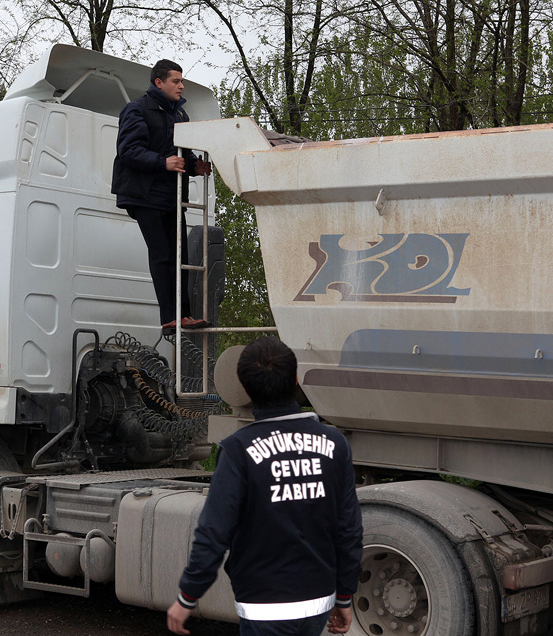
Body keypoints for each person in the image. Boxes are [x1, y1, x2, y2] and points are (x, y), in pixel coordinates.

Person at [167, 337, 363, 636]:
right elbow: (348, 528)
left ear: (245, 391)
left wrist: (187, 597)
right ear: (296, 380)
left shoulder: (237, 449)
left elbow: (214, 531)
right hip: (318, 602)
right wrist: (345, 596)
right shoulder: (335, 443)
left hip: (263, 606)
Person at [112, 59, 212, 335]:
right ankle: (170, 317)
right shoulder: (137, 109)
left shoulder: (181, 116)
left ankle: (184, 315)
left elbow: (184, 155)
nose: (181, 86)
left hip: (171, 195)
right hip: (144, 194)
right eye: (176, 81)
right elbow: (128, 150)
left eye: (181, 81)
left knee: (180, 256)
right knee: (163, 255)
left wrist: (195, 167)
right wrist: (162, 163)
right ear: (159, 83)